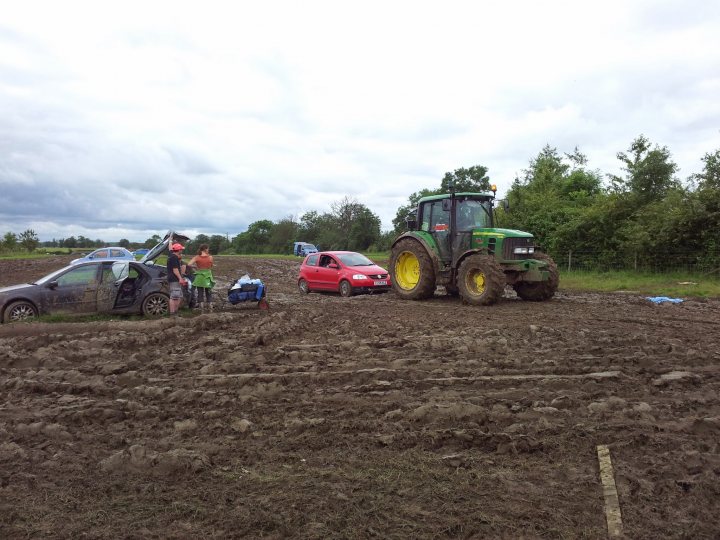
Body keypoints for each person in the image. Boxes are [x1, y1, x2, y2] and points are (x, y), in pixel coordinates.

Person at [188, 244, 215, 312]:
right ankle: (210, 307)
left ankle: (201, 308)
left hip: (199, 276)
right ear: (205, 249)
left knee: (200, 292)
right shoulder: (210, 257)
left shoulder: (197, 257)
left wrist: (195, 267)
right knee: (208, 292)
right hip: (207, 276)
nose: (208, 250)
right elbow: (211, 266)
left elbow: (189, 264)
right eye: (208, 249)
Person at [166, 242, 187, 317]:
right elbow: (175, 270)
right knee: (174, 296)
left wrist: (170, 240)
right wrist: (180, 278)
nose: (182, 250)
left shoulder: (171, 255)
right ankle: (173, 314)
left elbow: (170, 249)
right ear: (178, 250)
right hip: (174, 279)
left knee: (178, 296)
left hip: (173, 279)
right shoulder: (174, 258)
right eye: (181, 249)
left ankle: (175, 312)